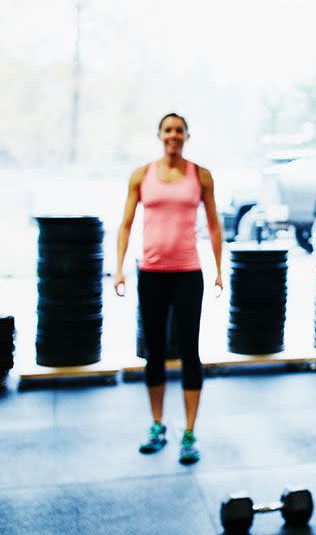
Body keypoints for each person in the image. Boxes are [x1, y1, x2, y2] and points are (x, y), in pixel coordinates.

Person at [114, 113, 223, 465]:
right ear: (159, 135)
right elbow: (126, 224)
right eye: (168, 130)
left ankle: (190, 432)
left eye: (179, 130)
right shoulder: (141, 175)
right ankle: (157, 425)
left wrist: (220, 270)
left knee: (189, 350)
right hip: (151, 273)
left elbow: (215, 225)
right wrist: (118, 269)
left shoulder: (200, 175)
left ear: (187, 135)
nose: (173, 135)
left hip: (189, 274)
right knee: (155, 351)